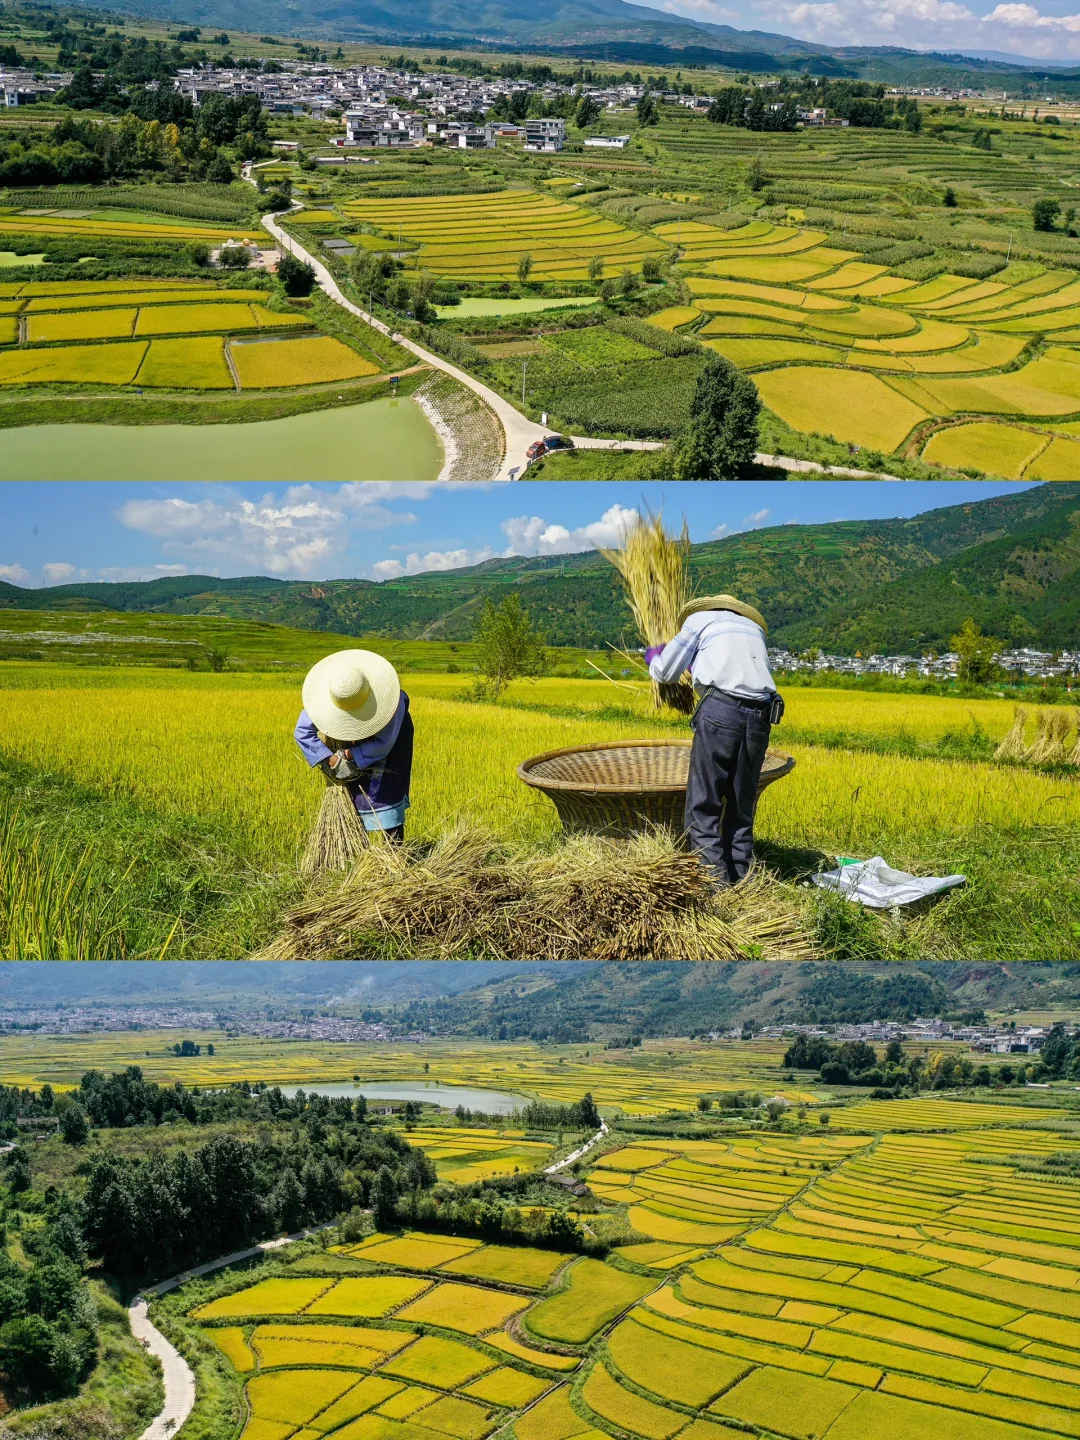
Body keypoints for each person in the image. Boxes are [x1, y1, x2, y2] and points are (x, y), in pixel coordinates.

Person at [646, 595, 780, 887]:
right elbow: (737, 669)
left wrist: (654, 658)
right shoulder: (752, 629)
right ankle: (741, 880)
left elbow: (666, 673)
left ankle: (713, 887)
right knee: (741, 804)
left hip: (721, 711)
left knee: (703, 803)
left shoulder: (698, 620)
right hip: (762, 716)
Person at [294, 649, 413, 842]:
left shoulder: (392, 701)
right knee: (352, 798)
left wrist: (348, 754)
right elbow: (302, 732)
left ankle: (395, 854)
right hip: (345, 746)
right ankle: (356, 850)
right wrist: (329, 759)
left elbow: (384, 743)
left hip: (391, 748)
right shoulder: (330, 694)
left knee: (386, 796)